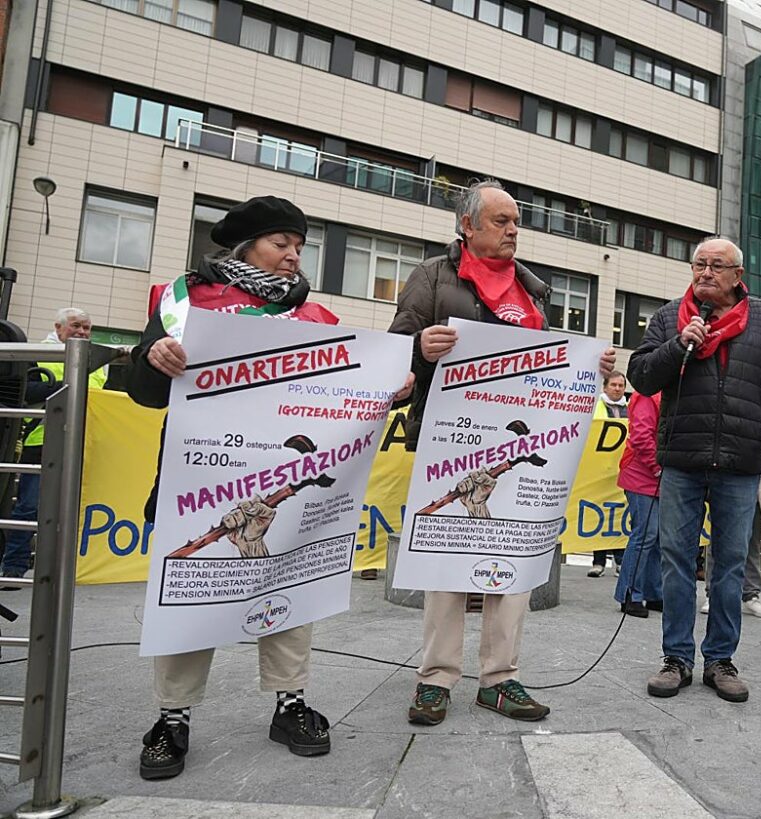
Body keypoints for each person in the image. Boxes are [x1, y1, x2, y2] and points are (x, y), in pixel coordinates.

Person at [126, 197, 408, 780]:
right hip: (200, 480)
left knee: (289, 592)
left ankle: (290, 704)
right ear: (247, 246)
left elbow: (352, 393)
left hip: (286, 493)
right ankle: (171, 718)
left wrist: (394, 386)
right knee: (190, 590)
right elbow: (145, 391)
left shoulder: (318, 320)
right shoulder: (186, 300)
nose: (293, 255)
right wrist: (154, 359)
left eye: (300, 247)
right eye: (282, 243)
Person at [389, 179, 616, 725]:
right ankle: (436, 679)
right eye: (501, 220)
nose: (514, 229)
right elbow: (396, 349)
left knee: (510, 557)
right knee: (446, 557)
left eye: (516, 221)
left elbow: (545, 366)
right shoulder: (432, 276)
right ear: (466, 226)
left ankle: (500, 678)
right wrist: (420, 350)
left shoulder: (531, 289)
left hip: (516, 446)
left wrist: (589, 372)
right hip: (451, 441)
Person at [629, 237, 761, 703]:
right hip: (683, 462)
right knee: (676, 563)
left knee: (728, 568)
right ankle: (677, 659)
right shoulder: (670, 318)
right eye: (699, 264)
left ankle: (721, 660)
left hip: (740, 465)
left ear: (737, 276)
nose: (705, 273)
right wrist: (676, 344)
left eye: (716, 266)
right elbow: (641, 376)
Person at [1, 308, 106, 587]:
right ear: (58, 328)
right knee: (29, 507)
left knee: (73, 508)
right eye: (76, 326)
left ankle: (65, 569)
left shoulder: (100, 360)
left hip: (84, 443)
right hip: (42, 442)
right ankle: (12, 569)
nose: (82, 332)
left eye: (86, 327)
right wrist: (68, 386)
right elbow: (27, 391)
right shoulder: (39, 352)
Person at [613, 390, 662, 618]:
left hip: (655, 475)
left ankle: (652, 593)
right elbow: (642, 437)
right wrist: (657, 467)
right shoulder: (648, 392)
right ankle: (629, 594)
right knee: (645, 535)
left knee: (656, 537)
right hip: (643, 474)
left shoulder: (660, 390)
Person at [590, 371, 628, 577]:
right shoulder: (596, 407)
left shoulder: (630, 409)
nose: (617, 388)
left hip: (621, 470)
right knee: (599, 513)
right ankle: (598, 561)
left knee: (620, 513)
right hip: (600, 469)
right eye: (613, 385)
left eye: (621, 385)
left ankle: (621, 561)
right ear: (605, 387)